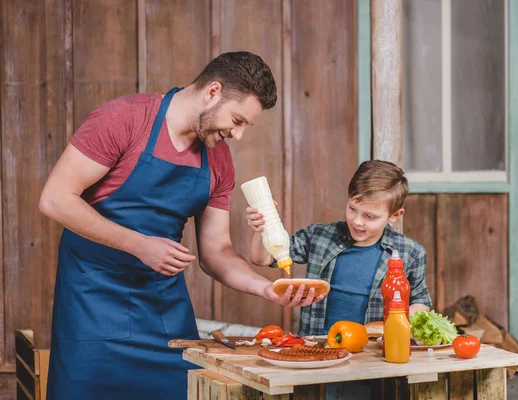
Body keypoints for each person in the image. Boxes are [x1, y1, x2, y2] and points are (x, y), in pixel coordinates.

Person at [39, 51, 323, 400]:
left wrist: (265, 288)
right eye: (237, 120)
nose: (238, 135)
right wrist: (139, 244)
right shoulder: (125, 119)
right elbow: (55, 198)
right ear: (213, 92)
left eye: (246, 125)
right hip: (91, 305)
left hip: (162, 313)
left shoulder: (218, 158)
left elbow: (216, 252)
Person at [246, 160, 432, 336]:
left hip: (371, 352)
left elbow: (421, 302)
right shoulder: (319, 236)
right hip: (316, 347)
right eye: (352, 209)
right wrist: (260, 229)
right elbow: (262, 258)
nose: (357, 221)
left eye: (370, 216)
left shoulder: (411, 253)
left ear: (394, 215)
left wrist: (393, 325)